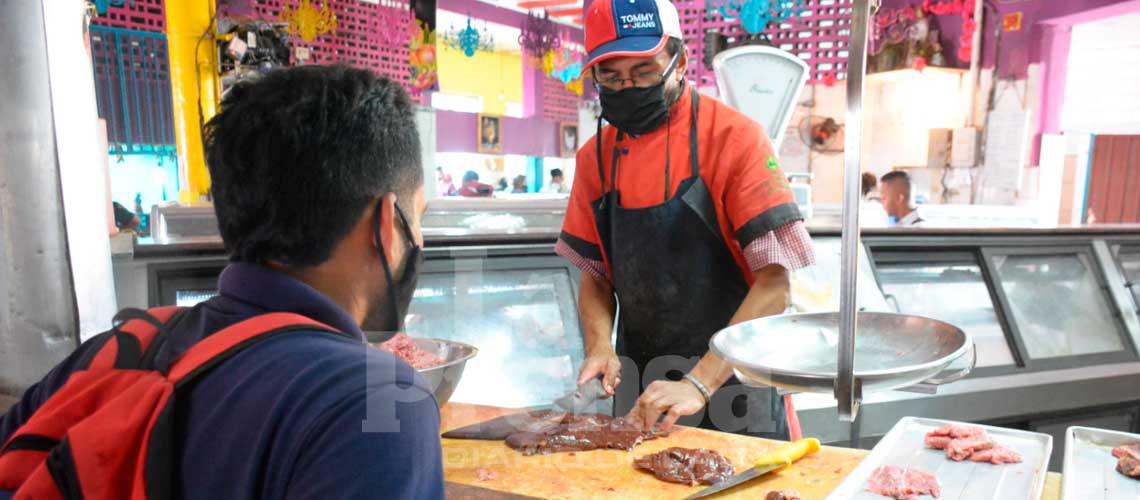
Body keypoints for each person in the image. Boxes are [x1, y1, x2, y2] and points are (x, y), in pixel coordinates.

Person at [0, 65, 443, 498]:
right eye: (416, 218)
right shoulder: (378, 402)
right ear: (386, 223)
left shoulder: (113, 352)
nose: (417, 239)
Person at [557, 0, 815, 440]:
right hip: (642, 393)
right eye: (611, 78)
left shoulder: (735, 139)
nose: (628, 88)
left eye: (643, 73)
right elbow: (596, 277)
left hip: (735, 390)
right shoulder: (594, 158)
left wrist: (700, 382)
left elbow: (774, 285)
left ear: (681, 62)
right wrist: (599, 345)